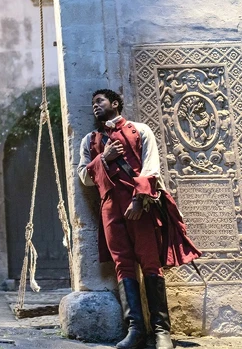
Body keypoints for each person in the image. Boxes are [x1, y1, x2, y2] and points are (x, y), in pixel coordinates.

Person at [77, 89, 201, 349]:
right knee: (122, 265)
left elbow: (151, 167)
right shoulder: (90, 140)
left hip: (140, 205)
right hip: (110, 207)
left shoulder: (140, 130)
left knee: (150, 262)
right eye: (92, 103)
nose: (95, 106)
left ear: (115, 103)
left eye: (99, 101)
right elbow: (84, 177)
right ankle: (135, 330)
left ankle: (161, 332)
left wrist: (139, 199)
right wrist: (104, 157)